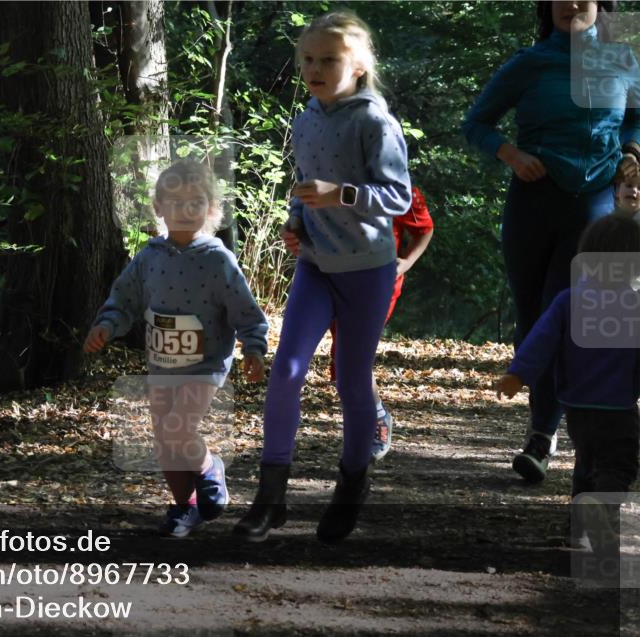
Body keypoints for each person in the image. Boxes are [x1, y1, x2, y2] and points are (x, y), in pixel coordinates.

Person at [234, 9, 411, 544]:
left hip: (366, 270)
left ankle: (350, 488)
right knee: (286, 370)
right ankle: (271, 500)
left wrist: (342, 194)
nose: (314, 68)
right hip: (315, 265)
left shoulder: (375, 122)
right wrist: (295, 222)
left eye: (328, 59)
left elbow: (399, 197)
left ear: (358, 67)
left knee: (351, 381)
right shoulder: (307, 116)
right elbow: (303, 181)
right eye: (307, 59)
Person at [463, 0, 640, 483]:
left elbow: (635, 119)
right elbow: (476, 123)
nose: (570, 3)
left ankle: (544, 436)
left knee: (574, 313)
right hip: (534, 203)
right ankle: (547, 427)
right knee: (534, 316)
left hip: (594, 204)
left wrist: (630, 151)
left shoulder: (620, 60)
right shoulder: (529, 62)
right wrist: (511, 154)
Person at [84, 160, 268, 538]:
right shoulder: (148, 258)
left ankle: (208, 466)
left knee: (178, 427)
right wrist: (106, 325)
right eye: (175, 202)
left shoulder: (218, 260)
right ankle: (185, 507)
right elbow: (124, 300)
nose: (185, 211)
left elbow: (246, 310)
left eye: (195, 203)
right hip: (161, 364)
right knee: (165, 439)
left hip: (206, 362)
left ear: (211, 209)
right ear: (160, 208)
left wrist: (254, 347)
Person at [495, 211, 640, 550]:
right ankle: (601, 511)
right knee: (618, 464)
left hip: (575, 408)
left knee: (586, 463)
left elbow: (540, 340)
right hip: (618, 407)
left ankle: (579, 533)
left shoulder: (569, 299)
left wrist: (518, 375)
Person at [327, 185, 434, 461]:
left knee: (354, 358)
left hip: (380, 285)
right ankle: (367, 420)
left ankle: (374, 421)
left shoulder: (403, 190)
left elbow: (425, 230)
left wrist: (407, 262)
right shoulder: (333, 175)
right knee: (342, 361)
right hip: (336, 278)